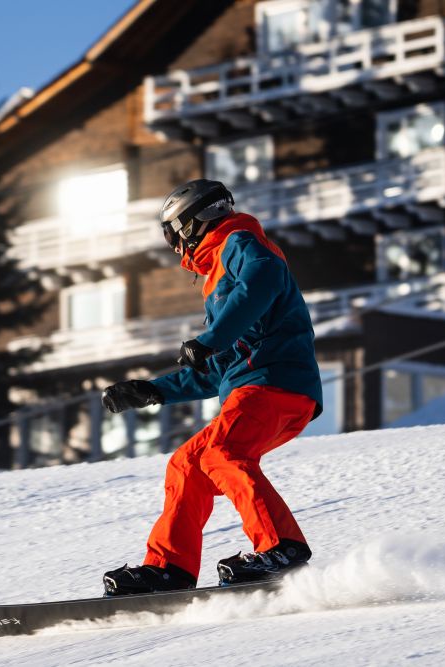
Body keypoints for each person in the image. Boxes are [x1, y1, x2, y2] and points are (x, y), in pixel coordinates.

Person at [100, 179, 323, 596]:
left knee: (223, 453)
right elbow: (217, 368)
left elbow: (265, 278)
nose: (173, 247)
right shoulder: (219, 278)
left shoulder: (239, 242)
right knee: (187, 464)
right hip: (253, 389)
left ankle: (281, 548)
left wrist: (210, 339)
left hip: (275, 385)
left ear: (188, 225)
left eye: (170, 234)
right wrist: (153, 390)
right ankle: (170, 569)